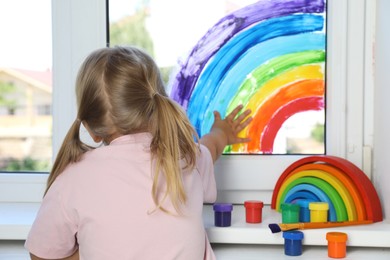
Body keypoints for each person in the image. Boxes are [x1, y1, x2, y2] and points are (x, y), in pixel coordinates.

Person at [25, 46, 252, 260]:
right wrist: (221, 132)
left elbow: (41, 254)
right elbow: (210, 148)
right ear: (158, 108)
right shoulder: (185, 158)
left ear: (91, 129)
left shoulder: (73, 179)